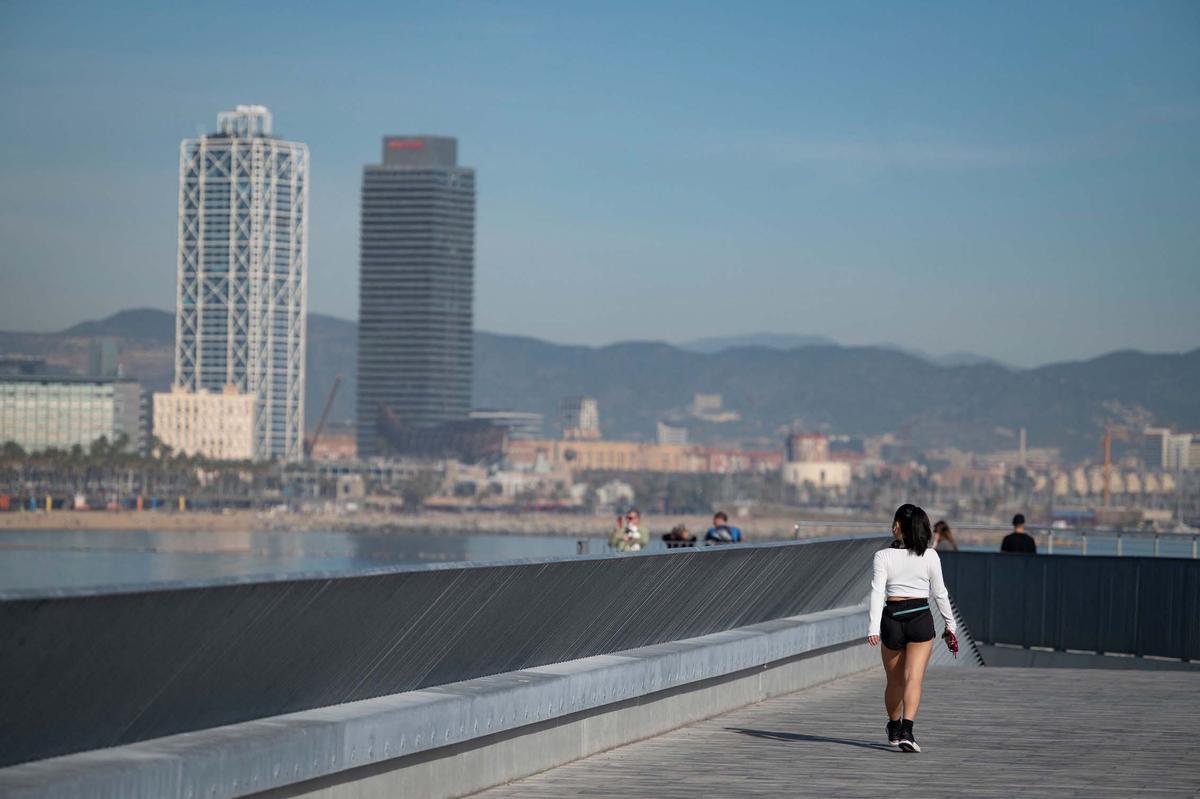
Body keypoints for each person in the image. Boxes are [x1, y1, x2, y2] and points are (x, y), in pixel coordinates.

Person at [868, 503, 958, 753]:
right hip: (920, 617)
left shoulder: (882, 556)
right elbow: (940, 593)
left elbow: (877, 593)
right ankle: (908, 731)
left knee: (894, 682)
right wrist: (950, 626)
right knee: (913, 679)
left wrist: (873, 628)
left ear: (898, 525)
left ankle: (895, 726)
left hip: (892, 619)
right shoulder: (930, 555)